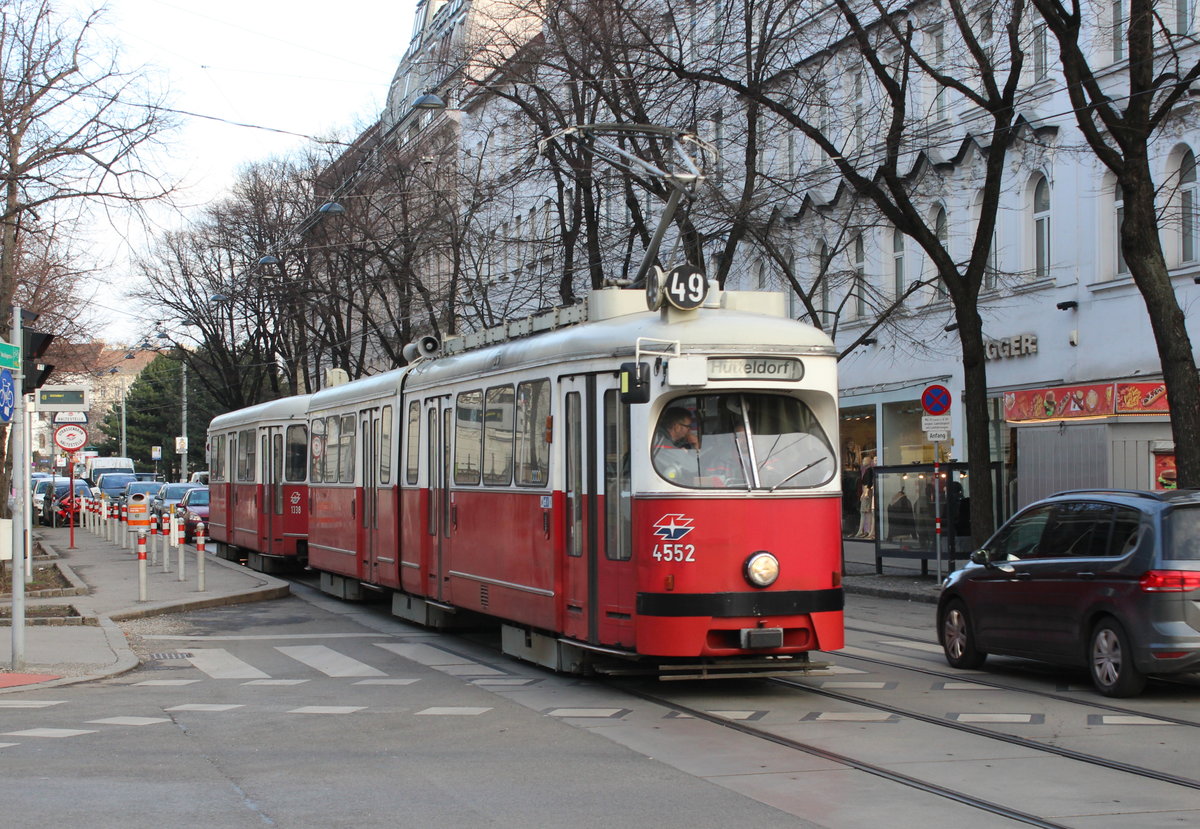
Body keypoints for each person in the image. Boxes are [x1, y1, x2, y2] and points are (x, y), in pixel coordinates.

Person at [653, 407, 700, 484]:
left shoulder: (661, 438)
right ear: (677, 427)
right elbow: (694, 468)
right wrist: (696, 446)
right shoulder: (661, 443)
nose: (690, 431)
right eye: (688, 427)